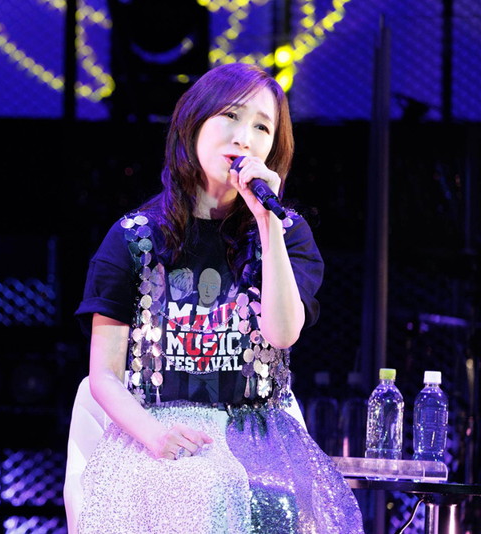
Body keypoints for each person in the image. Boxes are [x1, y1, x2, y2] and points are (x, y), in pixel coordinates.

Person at [74, 63, 364, 533]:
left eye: (262, 127)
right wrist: (155, 435)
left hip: (260, 437)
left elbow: (282, 333)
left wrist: (267, 222)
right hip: (159, 432)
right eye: (230, 116)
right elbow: (103, 375)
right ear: (194, 124)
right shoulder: (133, 238)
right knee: (191, 490)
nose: (244, 137)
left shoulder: (287, 234)